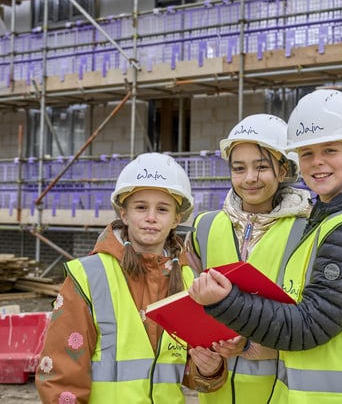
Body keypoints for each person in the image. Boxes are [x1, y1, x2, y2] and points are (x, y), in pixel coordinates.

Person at [189, 89, 342, 403]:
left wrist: (225, 301)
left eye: (330, 150)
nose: (317, 162)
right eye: (307, 153)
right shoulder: (326, 221)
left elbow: (309, 325)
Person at [36, 152, 226, 404]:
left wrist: (210, 368)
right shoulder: (89, 277)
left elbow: (190, 371)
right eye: (140, 207)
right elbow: (61, 375)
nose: (151, 217)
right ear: (124, 214)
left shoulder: (190, 280)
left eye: (162, 209)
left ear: (175, 219)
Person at [186, 113, 311, 403]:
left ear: (283, 171)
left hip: (281, 394)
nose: (250, 178)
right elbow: (188, 310)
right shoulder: (203, 228)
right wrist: (207, 363)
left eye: (262, 167)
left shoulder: (308, 229)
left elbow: (314, 321)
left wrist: (250, 342)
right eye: (239, 168)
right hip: (216, 394)